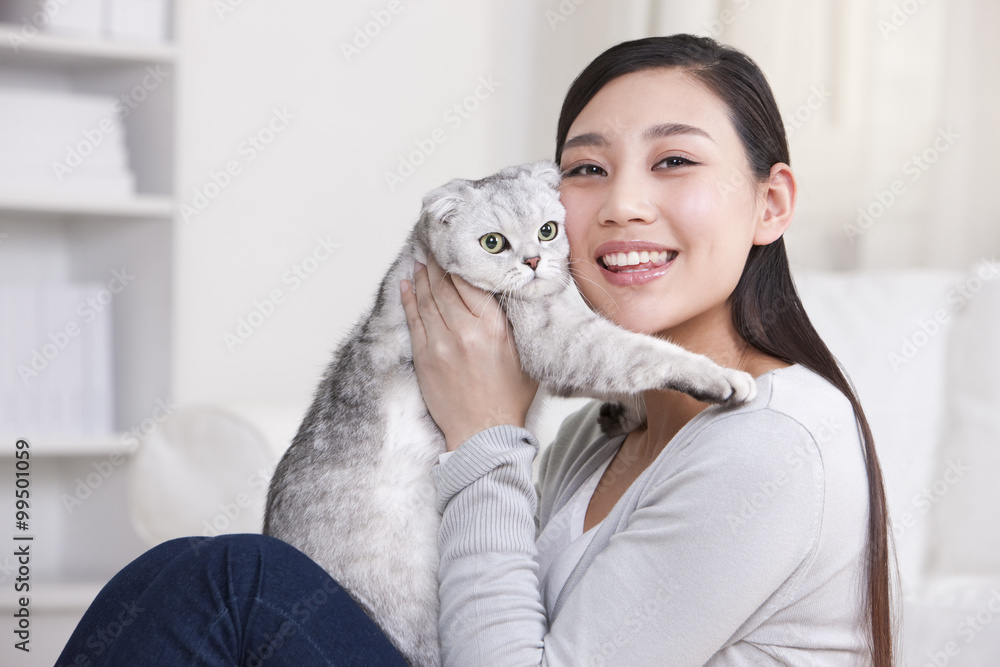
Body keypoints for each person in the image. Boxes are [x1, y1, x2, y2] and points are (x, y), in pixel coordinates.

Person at [57, 34, 895, 666]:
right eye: (587, 169)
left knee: (230, 584)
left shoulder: (774, 446)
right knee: (199, 577)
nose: (623, 204)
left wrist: (486, 435)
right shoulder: (604, 432)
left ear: (771, 203)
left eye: (674, 159)